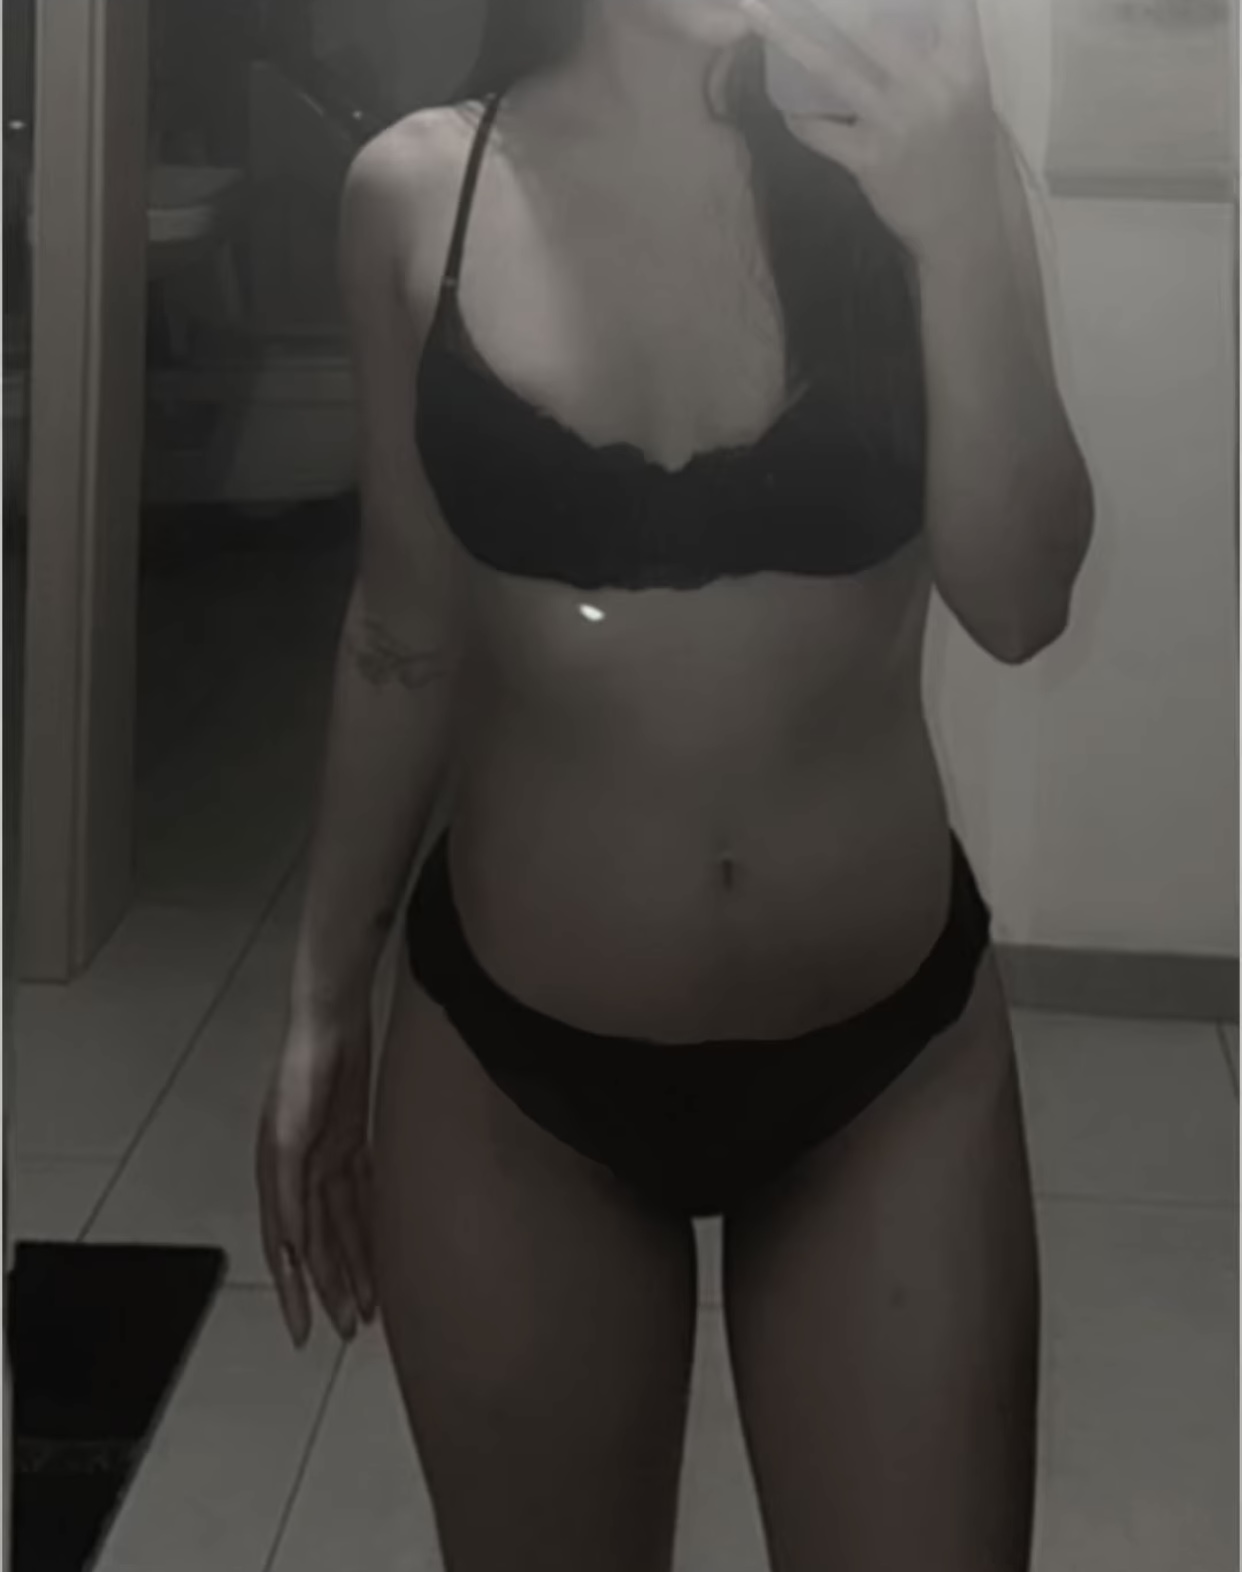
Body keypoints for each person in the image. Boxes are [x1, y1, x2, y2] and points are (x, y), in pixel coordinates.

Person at [254, 0, 1094, 1567]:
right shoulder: (417, 193)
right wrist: (319, 1003)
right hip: (512, 1082)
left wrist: (954, 222)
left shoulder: (916, 163)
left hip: (888, 1077)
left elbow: (1021, 597)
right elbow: (403, 630)